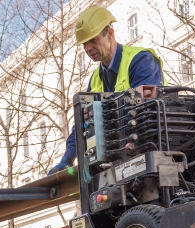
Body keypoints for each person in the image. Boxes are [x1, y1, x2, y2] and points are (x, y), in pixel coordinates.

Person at [49, 6, 165, 175]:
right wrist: (67, 159)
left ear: (110, 34)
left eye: (93, 40)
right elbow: (83, 123)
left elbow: (147, 108)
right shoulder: (96, 78)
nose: (88, 48)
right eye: (84, 44)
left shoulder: (140, 60)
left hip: (152, 155)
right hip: (120, 163)